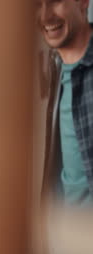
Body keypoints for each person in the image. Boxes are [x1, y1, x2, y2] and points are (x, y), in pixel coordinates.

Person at [38, 0, 93, 208]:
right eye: (36, 5)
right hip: (64, 232)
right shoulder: (54, 67)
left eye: (54, 2)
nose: (45, 15)